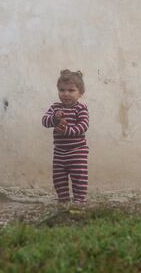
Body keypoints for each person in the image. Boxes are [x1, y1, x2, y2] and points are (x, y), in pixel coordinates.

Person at [41, 69, 89, 203]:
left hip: (77, 152)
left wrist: (66, 130)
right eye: (62, 90)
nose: (66, 94)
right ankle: (63, 203)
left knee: (79, 179)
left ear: (81, 93)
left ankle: (79, 203)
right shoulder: (55, 108)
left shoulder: (81, 109)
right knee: (59, 179)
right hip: (59, 153)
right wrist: (55, 119)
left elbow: (83, 126)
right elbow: (44, 121)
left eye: (71, 90)